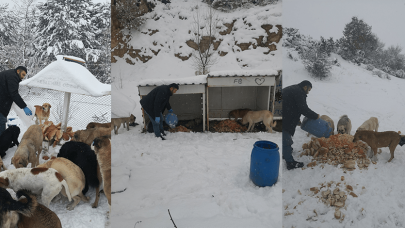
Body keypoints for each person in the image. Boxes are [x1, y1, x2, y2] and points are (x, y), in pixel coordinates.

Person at [282, 80, 320, 170]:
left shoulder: (294, 88)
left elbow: (292, 104)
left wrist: (296, 118)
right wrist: (315, 116)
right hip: (285, 117)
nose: (308, 92)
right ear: (305, 87)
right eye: (309, 90)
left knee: (285, 135)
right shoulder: (299, 92)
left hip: (284, 114)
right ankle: (290, 162)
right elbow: (303, 108)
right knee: (286, 136)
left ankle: (286, 151)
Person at [0, 66, 32, 136]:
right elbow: (14, 94)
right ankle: (2, 143)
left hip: (2, 101)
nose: (23, 77)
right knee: (1, 122)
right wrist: (24, 107)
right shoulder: (13, 76)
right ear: (18, 71)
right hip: (1, 104)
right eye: (23, 74)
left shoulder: (9, 74)